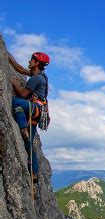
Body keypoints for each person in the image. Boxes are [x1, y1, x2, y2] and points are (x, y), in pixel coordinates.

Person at [9, 52, 50, 183]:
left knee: (16, 102)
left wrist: (14, 83)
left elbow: (22, 95)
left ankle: (22, 128)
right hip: (37, 113)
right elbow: (20, 69)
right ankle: (35, 174)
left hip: (35, 109)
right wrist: (7, 57)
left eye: (32, 59)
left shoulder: (36, 79)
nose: (30, 60)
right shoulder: (39, 76)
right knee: (29, 144)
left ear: (37, 63)